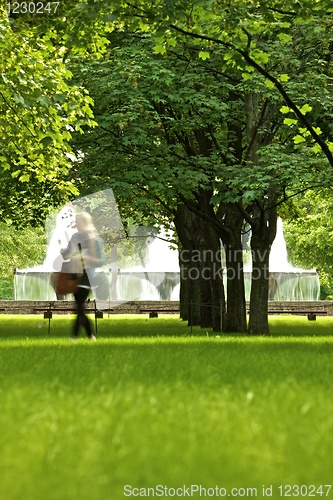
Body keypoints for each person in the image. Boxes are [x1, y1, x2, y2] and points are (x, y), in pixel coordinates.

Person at [61, 211, 104, 341]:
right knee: (79, 307)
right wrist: (64, 252)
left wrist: (86, 257)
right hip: (74, 275)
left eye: (78, 223)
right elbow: (67, 254)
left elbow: (101, 260)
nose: (76, 225)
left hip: (88, 277)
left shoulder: (95, 240)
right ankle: (89, 336)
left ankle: (75, 337)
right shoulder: (75, 237)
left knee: (79, 306)